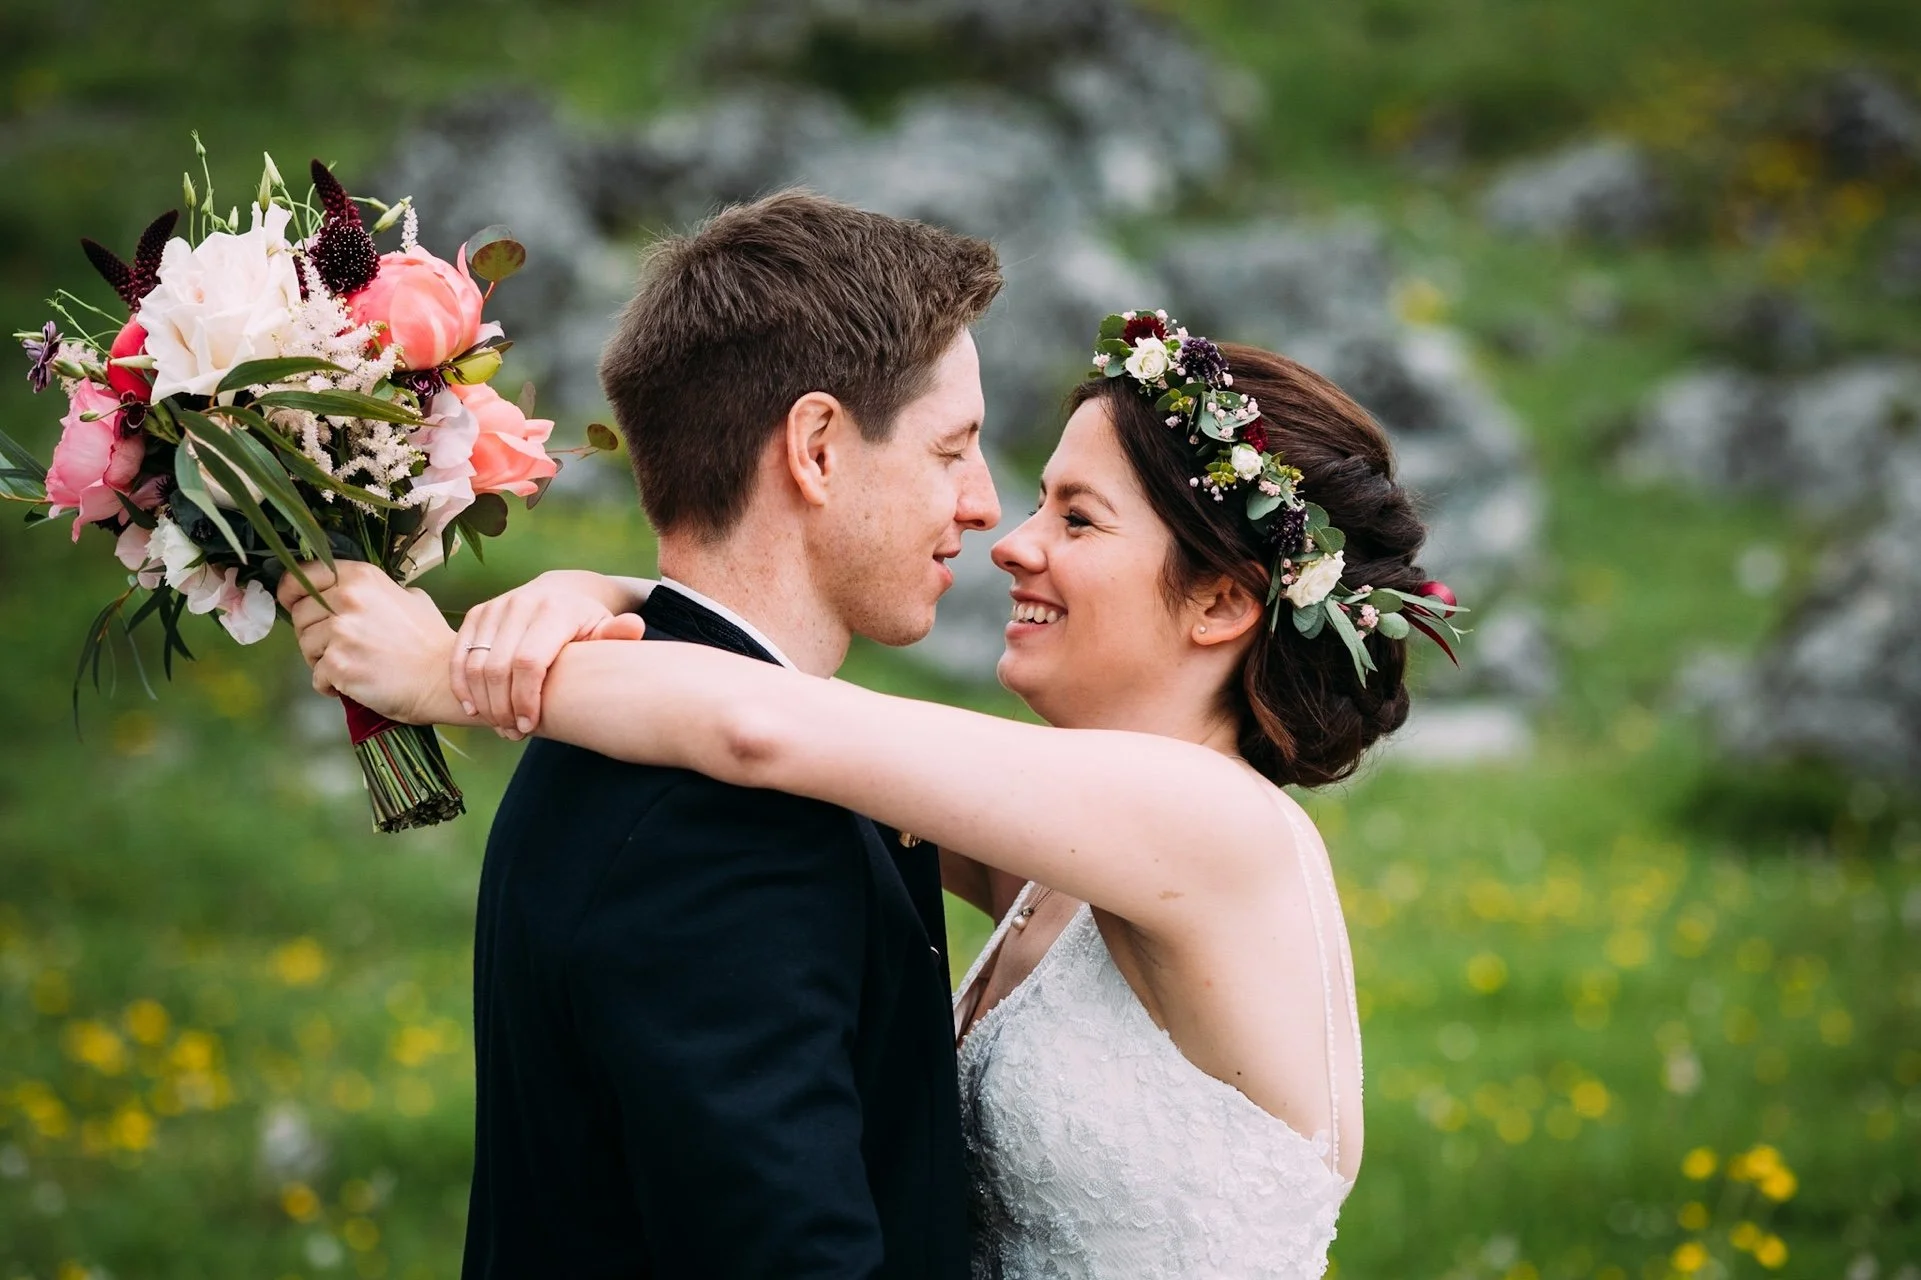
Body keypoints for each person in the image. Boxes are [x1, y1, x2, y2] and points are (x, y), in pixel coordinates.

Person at [287, 307, 1465, 1277]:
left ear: (1218, 603)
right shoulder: (1064, 856)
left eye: (1077, 517)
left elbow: (765, 726)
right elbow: (769, 699)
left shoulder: (1211, 827)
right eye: (1030, 493)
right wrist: (600, 588)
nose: (1009, 538)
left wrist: (453, 671)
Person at [282, 191, 1004, 1278]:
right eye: (953, 449)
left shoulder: (634, 726)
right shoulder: (722, 832)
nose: (986, 502)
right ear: (815, 448)